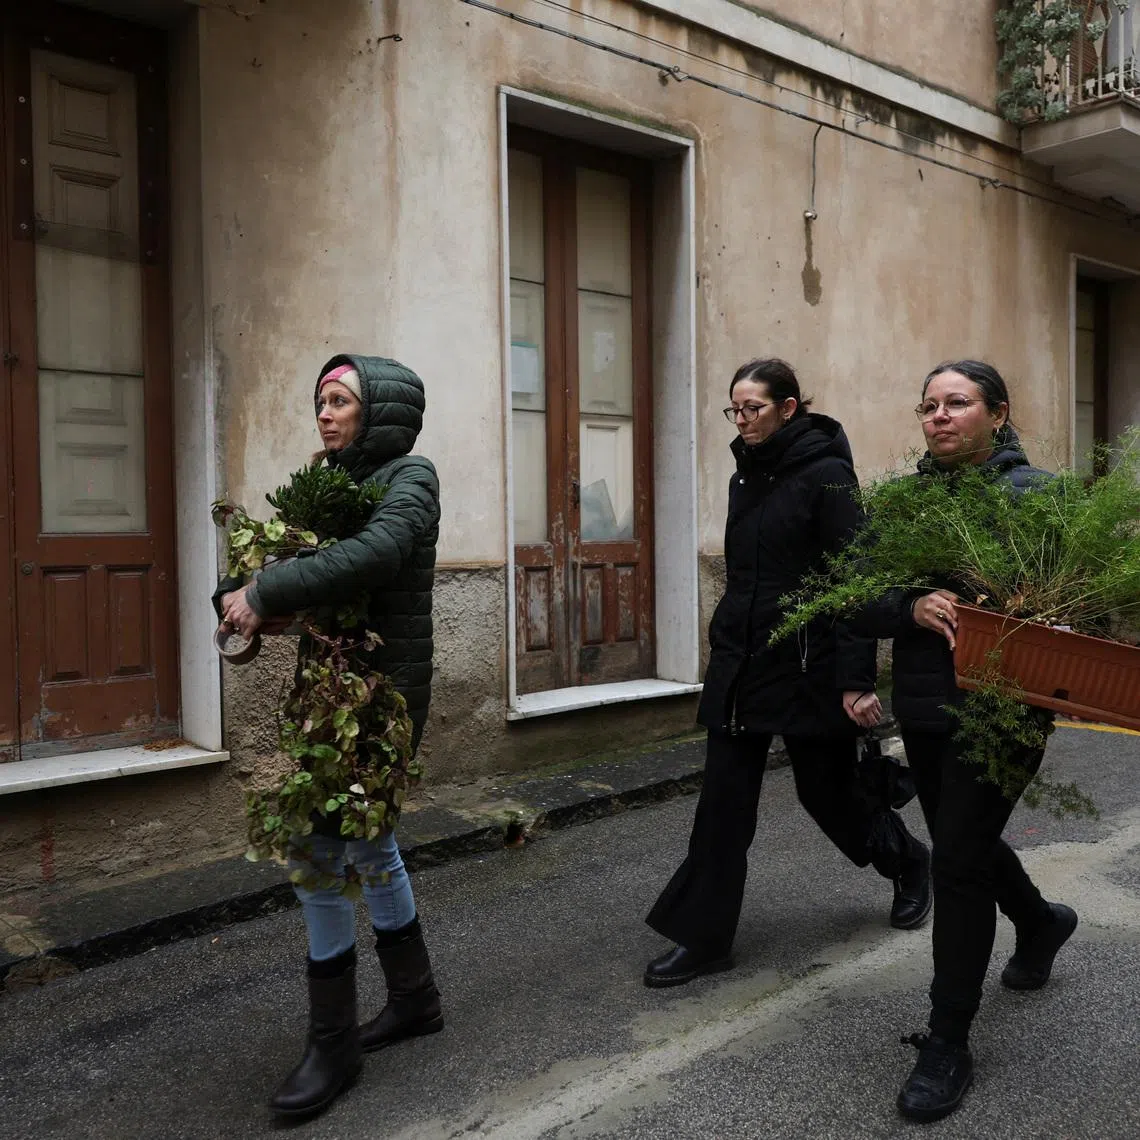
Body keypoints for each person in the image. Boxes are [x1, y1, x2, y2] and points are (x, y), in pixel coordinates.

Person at [643, 358, 931, 988]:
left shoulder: (829, 477)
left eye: (753, 408)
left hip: (809, 664)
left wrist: (856, 679)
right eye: (734, 409)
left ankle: (907, 861)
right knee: (723, 803)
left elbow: (856, 581)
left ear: (790, 408)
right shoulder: (744, 479)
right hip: (743, 663)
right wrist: (725, 638)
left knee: (825, 793)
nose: (742, 420)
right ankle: (704, 937)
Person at [215, 356, 442, 1119]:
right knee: (370, 845)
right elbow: (319, 577)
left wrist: (265, 590)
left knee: (319, 848)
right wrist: (251, 595)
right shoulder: (330, 484)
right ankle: (414, 999)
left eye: (341, 400)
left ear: (378, 411)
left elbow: (372, 557)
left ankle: (334, 1043)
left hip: (379, 702)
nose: (325, 412)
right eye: (320, 399)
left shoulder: (411, 479)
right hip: (330, 692)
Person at [854, 360, 1078, 1123]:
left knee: (955, 861)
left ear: (998, 413)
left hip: (1006, 709)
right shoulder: (903, 503)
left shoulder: (1043, 496)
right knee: (963, 846)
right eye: (929, 406)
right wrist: (909, 602)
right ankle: (1043, 921)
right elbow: (856, 598)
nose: (939, 416)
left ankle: (948, 1039)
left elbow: (1080, 604)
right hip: (924, 706)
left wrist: (1038, 606)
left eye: (958, 403)